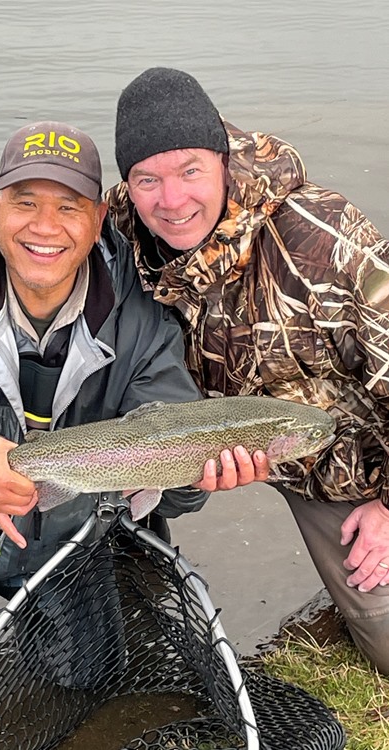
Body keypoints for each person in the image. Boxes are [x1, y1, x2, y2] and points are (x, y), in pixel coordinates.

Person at [0, 119, 265, 643]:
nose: (44, 226)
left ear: (100, 217)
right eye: (26, 202)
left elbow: (163, 486)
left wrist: (197, 479)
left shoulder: (143, 320)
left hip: (65, 538)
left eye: (68, 207)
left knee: (89, 680)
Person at [107, 67, 389, 673]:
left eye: (189, 172)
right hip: (196, 444)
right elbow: (29, 239)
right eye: (147, 179)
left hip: (358, 468)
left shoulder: (327, 241)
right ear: (127, 185)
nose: (172, 200)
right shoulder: (118, 242)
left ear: (223, 161)